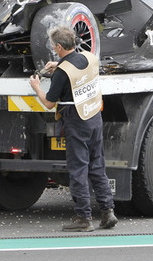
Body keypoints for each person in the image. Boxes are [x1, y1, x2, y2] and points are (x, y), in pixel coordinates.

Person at [28, 26, 117, 232]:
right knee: (97, 166)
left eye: (53, 46)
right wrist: (59, 65)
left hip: (76, 122)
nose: (53, 49)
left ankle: (83, 218)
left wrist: (37, 88)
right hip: (94, 116)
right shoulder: (89, 58)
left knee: (78, 169)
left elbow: (49, 103)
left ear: (59, 47)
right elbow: (75, 72)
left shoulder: (61, 73)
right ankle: (108, 212)